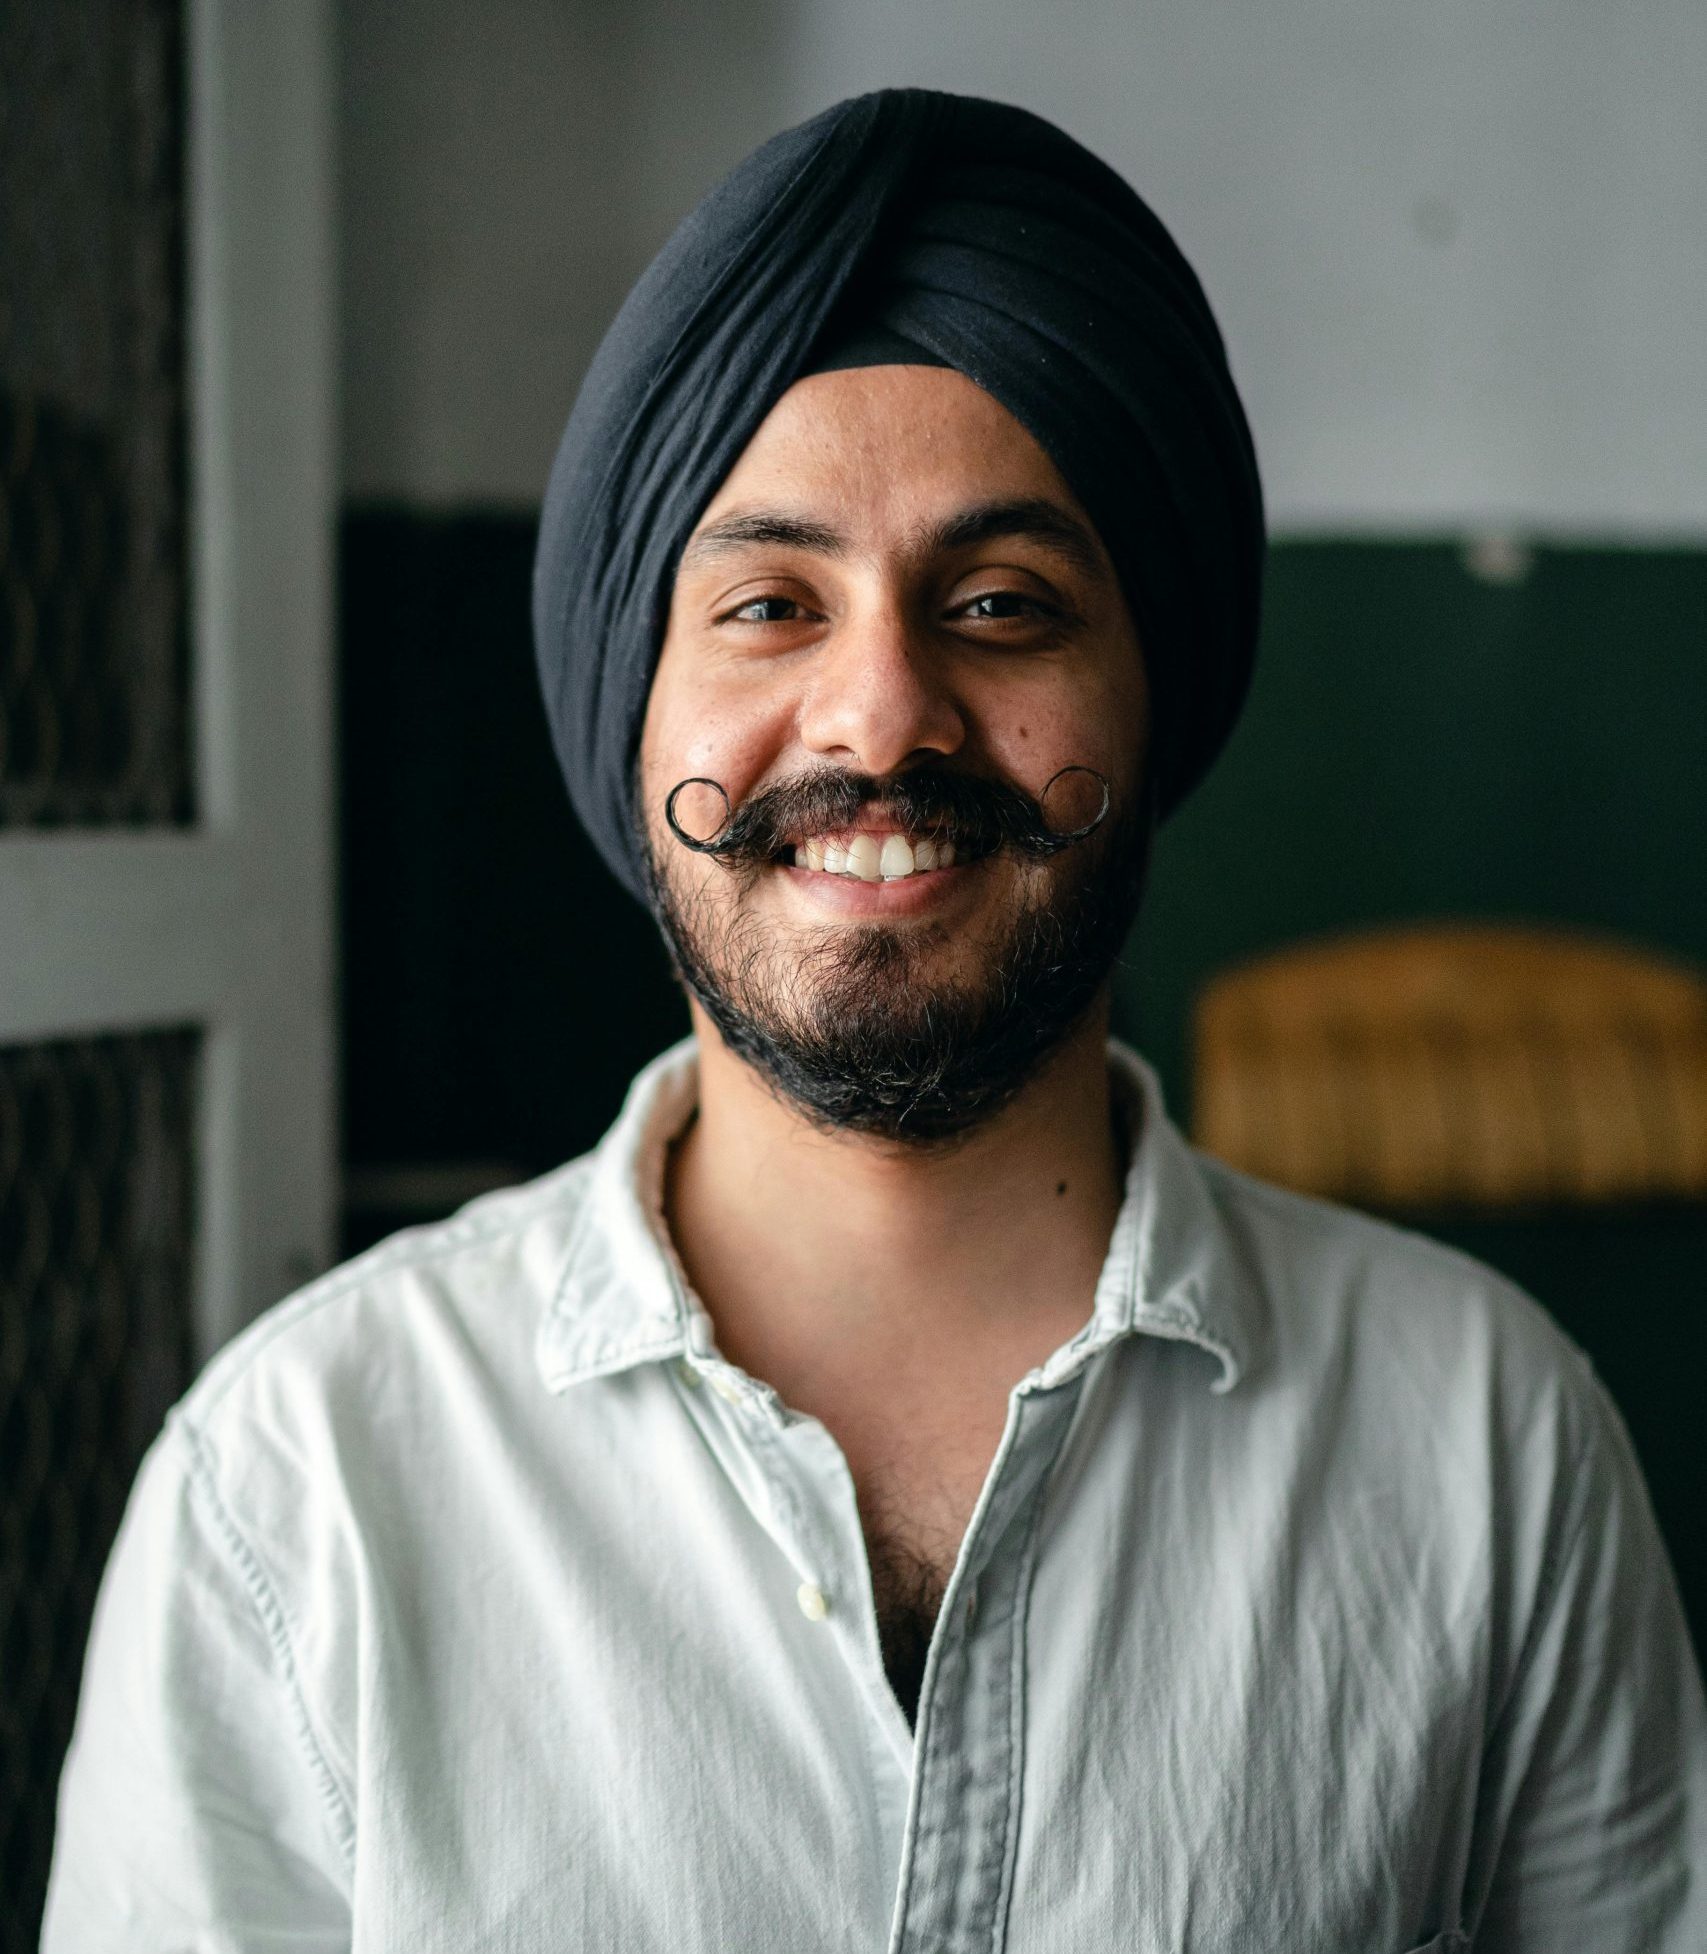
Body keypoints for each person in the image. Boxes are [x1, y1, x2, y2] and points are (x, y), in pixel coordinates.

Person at [44, 89, 1706, 1951]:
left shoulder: (1488, 1449)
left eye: (1000, 603)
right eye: (768, 603)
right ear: (633, 704)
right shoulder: (300, 1490)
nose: (881, 713)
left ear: (1150, 700)